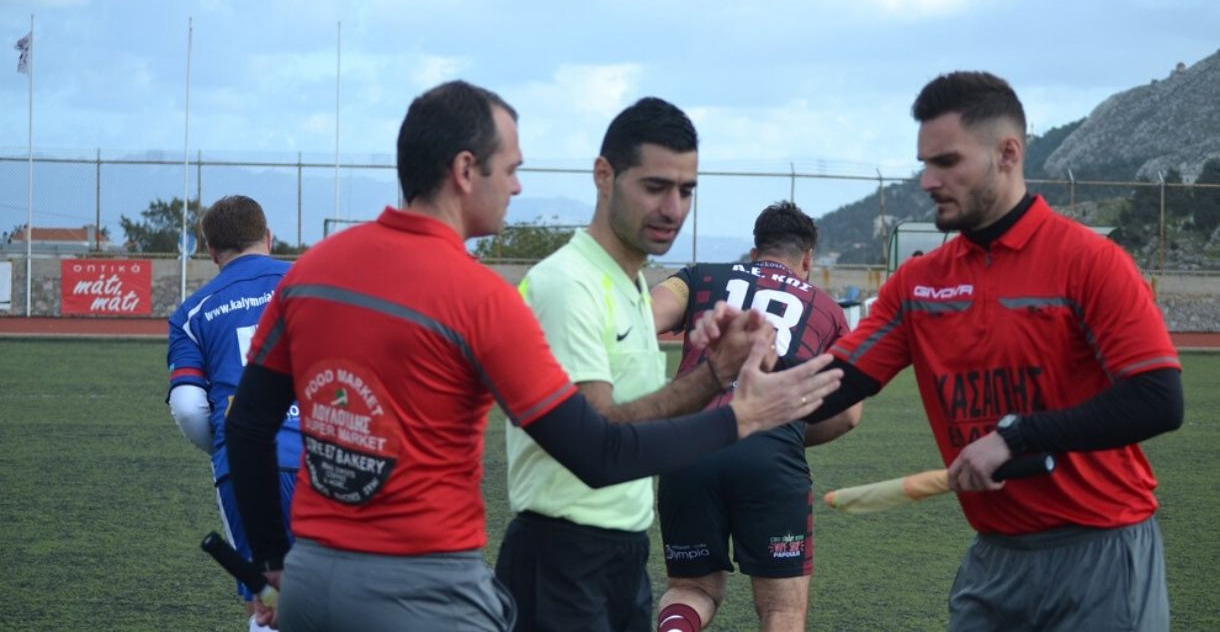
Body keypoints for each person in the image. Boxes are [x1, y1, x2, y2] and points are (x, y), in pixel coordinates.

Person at [223, 80, 844, 632]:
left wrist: (272, 558)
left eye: (685, 190)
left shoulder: (311, 269)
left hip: (312, 580)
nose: (518, 185)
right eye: (511, 168)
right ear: (466, 170)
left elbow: (246, 425)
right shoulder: (482, 297)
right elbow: (596, 450)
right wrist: (739, 416)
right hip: (429, 588)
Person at [798, 71, 1183, 631]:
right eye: (924, 163)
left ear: (1008, 154)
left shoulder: (1090, 262)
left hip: (1102, 550)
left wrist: (1016, 437)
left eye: (947, 162)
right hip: (996, 561)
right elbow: (840, 380)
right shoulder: (919, 284)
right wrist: (742, 385)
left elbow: (1157, 399)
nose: (928, 181)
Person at [495, 97, 764, 632]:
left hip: (623, 552)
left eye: (686, 190)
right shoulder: (567, 284)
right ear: (604, 175)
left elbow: (641, 416)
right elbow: (598, 437)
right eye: (655, 186)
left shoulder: (632, 283)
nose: (673, 208)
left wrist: (716, 371)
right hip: (561, 557)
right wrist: (737, 415)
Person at [648, 201, 863, 632]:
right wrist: (789, 430)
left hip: (690, 443)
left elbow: (640, 319)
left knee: (693, 589)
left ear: (754, 252)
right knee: (781, 610)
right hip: (771, 451)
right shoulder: (829, 311)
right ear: (807, 260)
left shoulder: (699, 276)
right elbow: (848, 415)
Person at [165, 195, 301, 632]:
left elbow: (188, 408)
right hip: (326, 455)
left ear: (211, 251)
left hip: (245, 469)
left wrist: (229, 444)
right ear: (268, 237)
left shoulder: (191, 313)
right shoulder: (313, 283)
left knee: (266, 600)